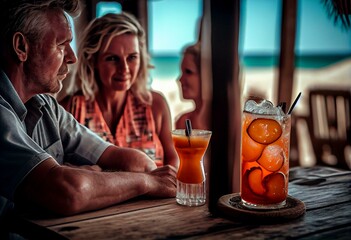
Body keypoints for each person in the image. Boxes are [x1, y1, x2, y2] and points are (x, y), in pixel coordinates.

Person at [0, 0, 177, 237]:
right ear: (21, 47)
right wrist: (146, 182)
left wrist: (91, 175)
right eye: (62, 45)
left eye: (132, 57)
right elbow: (69, 191)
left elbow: (140, 163)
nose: (72, 57)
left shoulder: (47, 107)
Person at [60, 12, 178, 168]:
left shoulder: (155, 105)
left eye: (132, 57)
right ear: (93, 60)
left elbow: (174, 162)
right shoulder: (68, 110)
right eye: (112, 58)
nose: (125, 69)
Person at [175, 42, 210, 130]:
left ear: (206, 76)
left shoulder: (228, 121)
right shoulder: (183, 122)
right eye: (182, 72)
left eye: (188, 72)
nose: (179, 79)